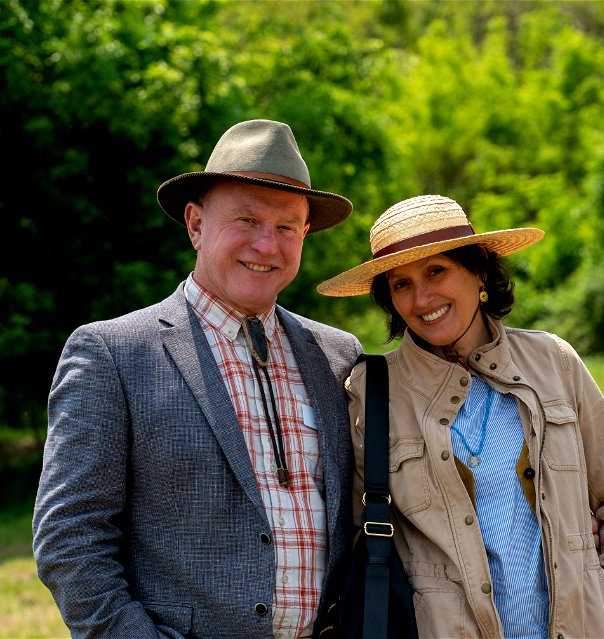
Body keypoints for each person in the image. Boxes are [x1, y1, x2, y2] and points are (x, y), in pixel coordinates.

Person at [33, 119, 363, 639]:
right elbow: (69, 539)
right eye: (247, 219)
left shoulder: (339, 356)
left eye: (286, 227)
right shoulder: (112, 354)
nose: (267, 245)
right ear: (195, 224)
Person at [316, 194, 604, 639]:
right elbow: (359, 537)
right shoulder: (371, 391)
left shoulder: (554, 361)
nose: (422, 298)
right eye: (401, 284)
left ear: (477, 270)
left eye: (437, 270)